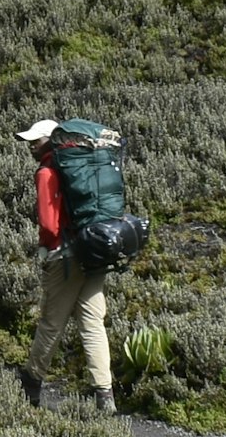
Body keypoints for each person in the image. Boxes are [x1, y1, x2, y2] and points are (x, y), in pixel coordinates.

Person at [16, 114, 139, 412]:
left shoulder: (47, 172)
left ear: (51, 141)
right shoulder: (84, 164)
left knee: (51, 323)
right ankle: (104, 396)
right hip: (94, 250)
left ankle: (30, 386)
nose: (30, 146)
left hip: (64, 257)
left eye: (35, 141)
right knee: (92, 323)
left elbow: (48, 224)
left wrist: (46, 249)